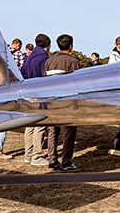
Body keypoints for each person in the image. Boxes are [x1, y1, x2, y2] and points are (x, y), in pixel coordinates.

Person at [44, 34, 80, 170]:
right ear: (70, 46)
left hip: (51, 100)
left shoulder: (48, 62)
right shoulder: (73, 62)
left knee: (53, 130)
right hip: (68, 101)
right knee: (69, 131)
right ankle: (66, 161)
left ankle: (52, 159)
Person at [21, 34, 51, 166]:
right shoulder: (43, 58)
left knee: (30, 125)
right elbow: (45, 77)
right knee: (39, 125)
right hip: (40, 94)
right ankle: (37, 155)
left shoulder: (28, 57)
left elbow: (22, 73)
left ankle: (28, 154)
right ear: (48, 45)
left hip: (28, 93)